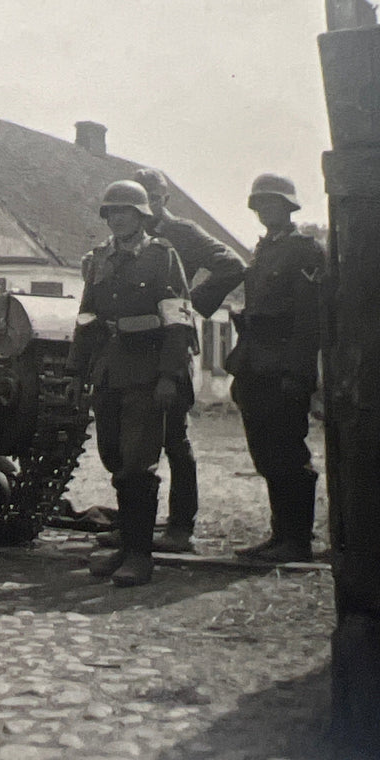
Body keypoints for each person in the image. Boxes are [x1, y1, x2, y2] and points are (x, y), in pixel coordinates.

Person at [67, 180, 194, 587]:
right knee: (114, 457)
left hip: (146, 371)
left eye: (125, 211)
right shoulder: (100, 258)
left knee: (139, 462)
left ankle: (140, 555)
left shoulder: (160, 255)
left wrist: (169, 376)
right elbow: (87, 316)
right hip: (108, 370)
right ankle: (126, 544)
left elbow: (178, 317)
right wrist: (75, 371)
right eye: (111, 212)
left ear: (142, 216)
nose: (117, 217)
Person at [133, 168, 246, 553]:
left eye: (153, 194)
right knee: (134, 441)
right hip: (135, 348)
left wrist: (190, 304)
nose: (146, 202)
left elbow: (232, 264)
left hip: (173, 345)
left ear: (164, 198)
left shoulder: (181, 232)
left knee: (174, 439)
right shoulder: (130, 235)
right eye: (140, 194)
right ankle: (135, 526)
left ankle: (181, 527)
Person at [225, 173, 325, 564]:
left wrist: (299, 375)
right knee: (265, 454)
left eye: (273, 204)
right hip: (256, 366)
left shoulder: (304, 251)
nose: (266, 211)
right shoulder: (263, 250)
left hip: (283, 369)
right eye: (260, 205)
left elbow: (307, 319)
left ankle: (297, 541)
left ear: (289, 207)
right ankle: (279, 534)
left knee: (289, 455)